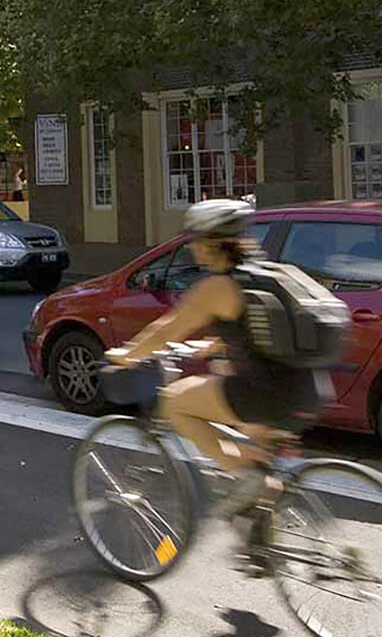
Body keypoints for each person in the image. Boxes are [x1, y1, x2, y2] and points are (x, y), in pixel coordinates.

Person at [107, 199, 322, 519]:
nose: (192, 248)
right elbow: (260, 330)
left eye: (194, 240)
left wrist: (128, 355)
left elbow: (165, 330)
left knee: (175, 401)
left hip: (264, 395)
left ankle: (249, 482)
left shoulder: (217, 287)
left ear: (209, 244)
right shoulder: (267, 273)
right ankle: (267, 548)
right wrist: (212, 346)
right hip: (307, 388)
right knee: (256, 462)